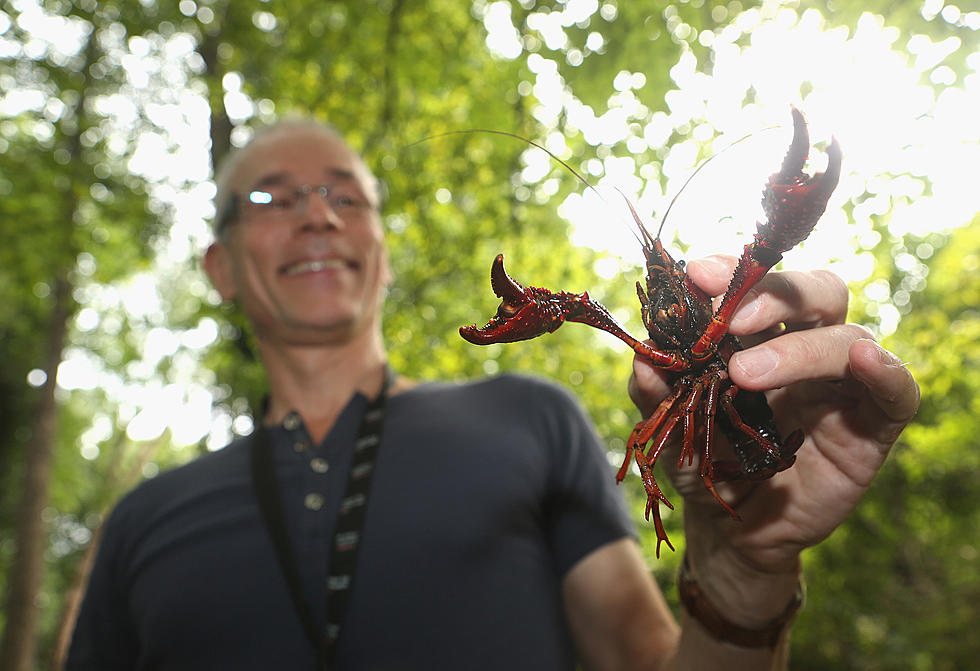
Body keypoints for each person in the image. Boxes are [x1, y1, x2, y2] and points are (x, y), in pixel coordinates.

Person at [66, 118, 919, 671]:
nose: (318, 215)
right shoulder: (138, 519)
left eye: (344, 196)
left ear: (382, 250)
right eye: (272, 198)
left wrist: (743, 569)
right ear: (218, 266)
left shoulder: (530, 418)